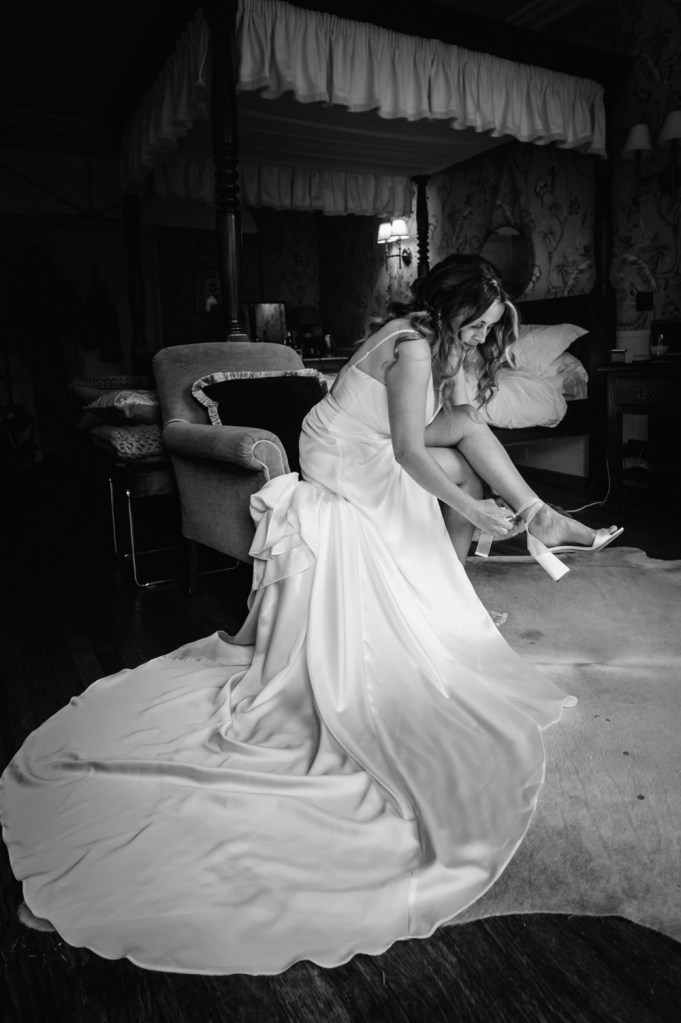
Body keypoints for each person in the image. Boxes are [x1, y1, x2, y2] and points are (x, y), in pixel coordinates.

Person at [0, 255, 621, 977]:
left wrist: (477, 416)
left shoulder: (425, 338)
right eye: (478, 325)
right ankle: (513, 528)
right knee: (450, 477)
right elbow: (411, 453)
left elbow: (434, 421)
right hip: (340, 457)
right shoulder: (413, 345)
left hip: (352, 437)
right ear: (446, 313)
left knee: (475, 426)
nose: (484, 336)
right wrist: (468, 506)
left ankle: (540, 514)